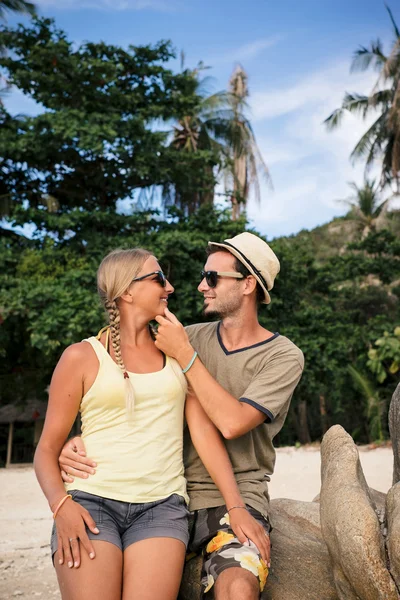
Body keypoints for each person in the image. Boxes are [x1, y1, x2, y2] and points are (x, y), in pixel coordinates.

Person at [59, 233, 304, 600]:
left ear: (249, 284)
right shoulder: (183, 337)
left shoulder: (282, 356)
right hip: (163, 493)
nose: (200, 285)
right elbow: (123, 387)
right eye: (204, 275)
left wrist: (187, 357)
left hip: (225, 496)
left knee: (238, 587)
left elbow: (232, 423)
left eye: (213, 278)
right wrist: (75, 440)